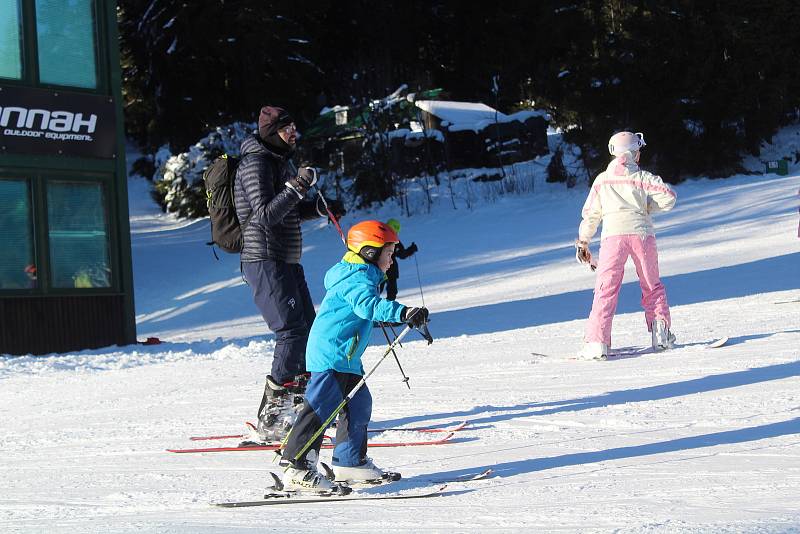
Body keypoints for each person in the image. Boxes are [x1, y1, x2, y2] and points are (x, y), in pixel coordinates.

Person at [279, 220, 429, 492]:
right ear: (370, 252)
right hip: (331, 354)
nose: (392, 260)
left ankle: (350, 462)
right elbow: (368, 306)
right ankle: (296, 467)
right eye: (389, 253)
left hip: (346, 357)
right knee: (320, 410)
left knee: (359, 404)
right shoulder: (355, 278)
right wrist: (403, 313)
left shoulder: (364, 275)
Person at [234, 105, 346, 441]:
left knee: (308, 330)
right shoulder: (255, 163)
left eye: (295, 126)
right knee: (291, 332)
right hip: (264, 259)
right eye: (287, 128)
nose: (293, 133)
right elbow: (265, 214)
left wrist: (317, 208)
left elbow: (286, 210)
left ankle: (299, 408)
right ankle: (271, 419)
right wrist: (298, 185)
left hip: (285, 258)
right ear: (271, 131)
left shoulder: (278, 161)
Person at [575, 131, 677, 360]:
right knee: (651, 285)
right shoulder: (643, 177)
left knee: (606, 289)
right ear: (633, 153)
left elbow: (591, 214)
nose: (640, 154)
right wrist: (647, 207)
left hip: (613, 237)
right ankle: (660, 334)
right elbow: (669, 196)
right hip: (642, 235)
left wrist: (583, 241)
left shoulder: (602, 180)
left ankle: (597, 342)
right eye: (638, 150)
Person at [379, 218, 418, 301]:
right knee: (391, 292)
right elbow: (402, 254)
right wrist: (411, 249)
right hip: (390, 270)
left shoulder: (378, 237)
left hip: (379, 268)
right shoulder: (394, 241)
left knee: (376, 291)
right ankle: (388, 309)